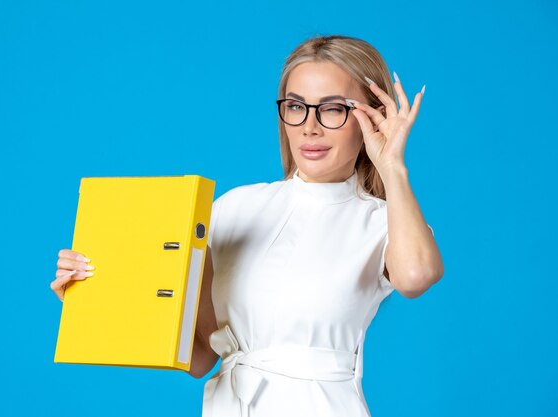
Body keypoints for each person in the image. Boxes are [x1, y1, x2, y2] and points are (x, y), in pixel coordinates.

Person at [51, 35, 444, 417]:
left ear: (371, 117)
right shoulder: (234, 208)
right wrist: (95, 298)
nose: (310, 127)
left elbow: (416, 276)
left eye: (333, 109)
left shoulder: (379, 220)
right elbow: (201, 353)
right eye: (296, 107)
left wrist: (391, 166)